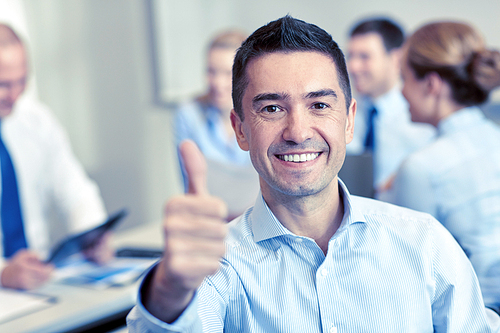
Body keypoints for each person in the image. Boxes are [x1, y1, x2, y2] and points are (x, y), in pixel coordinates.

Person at [127, 16, 499, 331]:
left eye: (319, 104)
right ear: (240, 129)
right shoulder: (217, 265)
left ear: (349, 120)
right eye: (272, 108)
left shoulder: (426, 245)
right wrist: (169, 292)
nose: (298, 132)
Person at [388, 21, 500, 314]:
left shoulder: (422, 167)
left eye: (404, 79)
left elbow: (411, 279)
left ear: (432, 84)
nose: (401, 93)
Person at [0, 24, 112, 290]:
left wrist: (92, 234)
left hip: (38, 279)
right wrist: (3, 273)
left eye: (22, 81)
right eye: (4, 84)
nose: (15, 96)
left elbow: (73, 188)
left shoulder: (37, 122)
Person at [174, 29, 258, 219]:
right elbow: (191, 187)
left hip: (259, 221)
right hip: (210, 220)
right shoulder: (188, 115)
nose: (218, 83)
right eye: (211, 71)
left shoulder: (262, 114)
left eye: (227, 73)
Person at [346, 18, 436, 196]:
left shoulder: (420, 117)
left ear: (396, 58)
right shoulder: (344, 111)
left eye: (364, 57)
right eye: (350, 56)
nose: (353, 67)